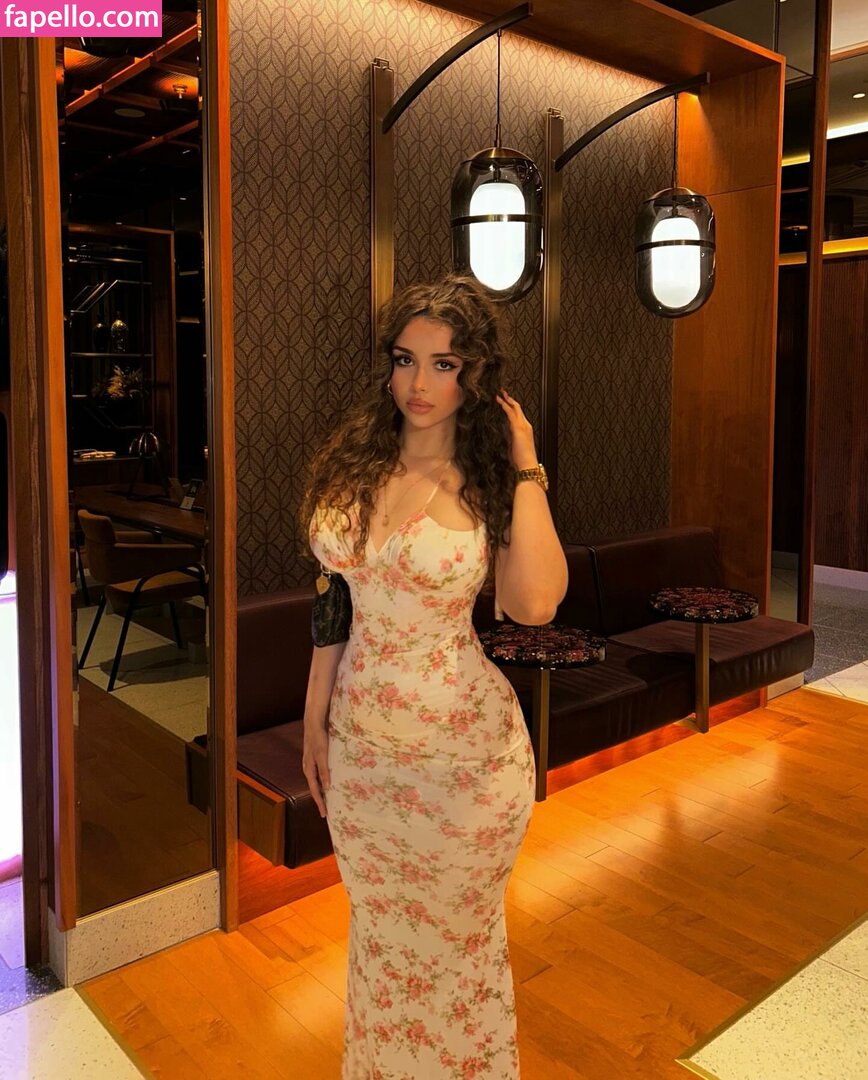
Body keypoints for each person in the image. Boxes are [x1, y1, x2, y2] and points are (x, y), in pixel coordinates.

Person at [300, 275, 568, 1078]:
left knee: (454, 958)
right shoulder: (353, 466)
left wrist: (527, 465)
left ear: (474, 374)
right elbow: (333, 601)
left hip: (464, 765)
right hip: (361, 758)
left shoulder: (488, 484)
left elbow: (534, 605)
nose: (419, 383)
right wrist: (314, 720)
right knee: (384, 948)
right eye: (405, 359)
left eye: (444, 364)